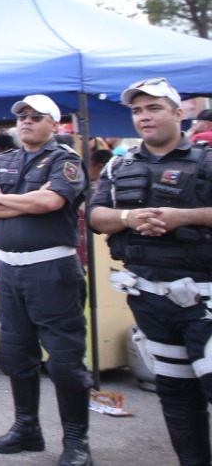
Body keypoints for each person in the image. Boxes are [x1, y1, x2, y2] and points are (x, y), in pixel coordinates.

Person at [88, 77, 212, 466]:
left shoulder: (207, 161)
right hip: (150, 300)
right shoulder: (119, 165)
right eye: (138, 110)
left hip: (203, 299)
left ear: (178, 114)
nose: (144, 116)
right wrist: (129, 216)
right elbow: (95, 215)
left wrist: (182, 217)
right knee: (176, 394)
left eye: (154, 108)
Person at [0, 95, 91, 466]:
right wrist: (16, 199)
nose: (26, 121)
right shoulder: (2, 160)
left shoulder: (66, 161)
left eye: (36, 116)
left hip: (52, 270)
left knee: (64, 361)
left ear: (54, 124)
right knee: (15, 353)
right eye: (22, 116)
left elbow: (51, 203)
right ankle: (27, 427)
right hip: (10, 269)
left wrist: (3, 197)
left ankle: (76, 441)